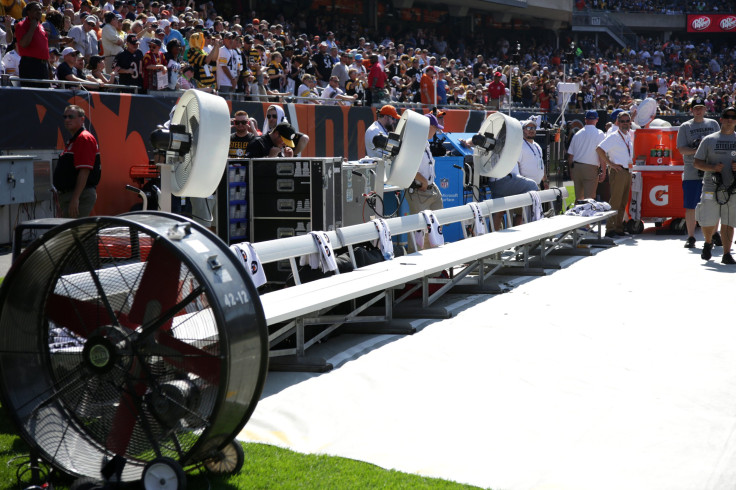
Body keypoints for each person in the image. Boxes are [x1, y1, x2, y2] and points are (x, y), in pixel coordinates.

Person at [693, 106, 736, 264]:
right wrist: (712, 168)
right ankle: (708, 241)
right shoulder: (709, 140)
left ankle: (726, 253)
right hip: (711, 186)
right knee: (708, 220)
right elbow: (697, 163)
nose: (730, 119)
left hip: (732, 188)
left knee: (728, 221)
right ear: (721, 119)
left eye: (733, 117)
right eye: (727, 116)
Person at [676, 97, 721, 249]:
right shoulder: (685, 126)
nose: (698, 110)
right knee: (690, 205)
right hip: (692, 170)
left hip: (712, 169)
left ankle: (715, 234)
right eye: (696, 108)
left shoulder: (713, 124)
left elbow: (720, 143)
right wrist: (699, 150)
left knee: (715, 203)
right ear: (691, 110)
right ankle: (691, 236)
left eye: (701, 107)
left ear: (705, 109)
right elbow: (681, 149)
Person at [53, 104, 101, 218]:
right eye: (65, 117)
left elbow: (84, 171)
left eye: (71, 116)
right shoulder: (75, 139)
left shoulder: (84, 138)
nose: (67, 120)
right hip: (70, 195)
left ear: (82, 119)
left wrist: (75, 198)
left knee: (76, 233)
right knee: (71, 232)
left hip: (79, 195)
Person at [596, 110, 633, 238]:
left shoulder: (628, 136)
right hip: (618, 171)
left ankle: (618, 227)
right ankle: (610, 228)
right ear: (617, 122)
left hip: (627, 171)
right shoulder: (614, 136)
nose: (625, 124)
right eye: (622, 121)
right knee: (616, 201)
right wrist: (610, 164)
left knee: (623, 202)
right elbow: (599, 149)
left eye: (627, 121)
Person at [407, 113, 443, 216]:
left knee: (437, 225)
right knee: (420, 230)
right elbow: (408, 168)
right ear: (428, 127)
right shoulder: (413, 143)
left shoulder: (425, 142)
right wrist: (423, 181)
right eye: (435, 128)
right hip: (419, 191)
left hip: (430, 189)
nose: (436, 131)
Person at [568, 110, 605, 200]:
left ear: (585, 119)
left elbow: (570, 156)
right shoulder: (599, 133)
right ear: (597, 119)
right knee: (589, 199)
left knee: (578, 198)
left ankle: (576, 213)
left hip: (577, 167)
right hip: (590, 168)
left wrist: (571, 171)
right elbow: (601, 155)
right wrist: (603, 171)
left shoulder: (577, 134)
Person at [15, 1, 50, 85]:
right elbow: (23, 44)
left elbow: (44, 46)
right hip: (30, 65)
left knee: (44, 94)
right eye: (36, 10)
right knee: (30, 94)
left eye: (40, 10)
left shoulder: (41, 26)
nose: (39, 12)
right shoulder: (21, 25)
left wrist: (49, 68)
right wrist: (32, 27)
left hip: (43, 65)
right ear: (28, 12)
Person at [517, 120, 548, 189]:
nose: (531, 130)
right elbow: (516, 166)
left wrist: (545, 180)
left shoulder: (537, 146)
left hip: (538, 184)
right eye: (528, 128)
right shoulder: (520, 145)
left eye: (533, 128)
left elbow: (541, 164)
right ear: (522, 130)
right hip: (525, 186)